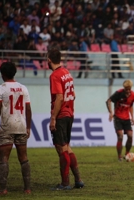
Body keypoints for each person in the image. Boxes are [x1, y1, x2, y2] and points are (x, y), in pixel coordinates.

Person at [0, 62, 32, 194]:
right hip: (21, 126)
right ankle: (27, 189)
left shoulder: (0, 89)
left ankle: (3, 189)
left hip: (7, 127)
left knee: (3, 158)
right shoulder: (23, 88)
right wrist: (29, 127)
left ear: (2, 74)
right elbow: (28, 109)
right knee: (24, 158)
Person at [47, 49, 84, 190]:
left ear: (49, 59)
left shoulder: (55, 75)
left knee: (62, 149)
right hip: (70, 114)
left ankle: (65, 183)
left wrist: (53, 118)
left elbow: (60, 97)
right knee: (67, 147)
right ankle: (78, 180)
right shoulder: (67, 73)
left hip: (61, 115)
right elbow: (73, 95)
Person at [106, 79, 134, 161]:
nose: (128, 91)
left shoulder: (133, 95)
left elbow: (130, 106)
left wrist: (132, 117)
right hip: (118, 118)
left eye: (129, 89)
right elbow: (108, 101)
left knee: (130, 136)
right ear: (124, 88)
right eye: (126, 89)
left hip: (126, 119)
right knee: (120, 136)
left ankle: (127, 154)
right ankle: (119, 156)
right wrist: (110, 112)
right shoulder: (118, 93)